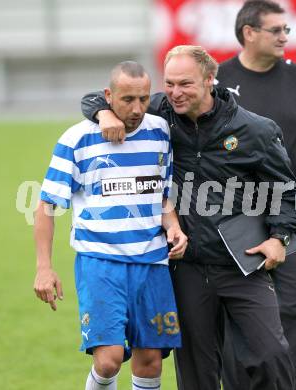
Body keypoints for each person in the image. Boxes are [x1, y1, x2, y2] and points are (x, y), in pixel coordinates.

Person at [81, 45, 296, 390]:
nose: (174, 92)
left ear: (210, 80)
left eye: (185, 84)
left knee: (270, 356)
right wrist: (103, 115)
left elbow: (288, 191)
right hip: (186, 267)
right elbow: (101, 97)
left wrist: (280, 237)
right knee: (197, 372)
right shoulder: (159, 112)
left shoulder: (255, 130)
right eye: (169, 83)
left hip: (242, 265)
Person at [33, 61, 188, 390]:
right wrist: (43, 267)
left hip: (152, 262)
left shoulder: (160, 132)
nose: (137, 109)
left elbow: (161, 196)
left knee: (150, 361)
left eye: (144, 99)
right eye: (127, 99)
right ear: (108, 96)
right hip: (100, 262)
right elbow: (46, 206)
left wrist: (172, 225)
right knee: (108, 359)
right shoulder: (77, 139)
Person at [215, 1, 296, 389]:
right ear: (249, 32)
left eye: (287, 29)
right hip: (236, 230)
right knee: (240, 332)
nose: (286, 36)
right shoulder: (217, 81)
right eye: (277, 30)